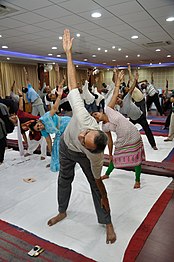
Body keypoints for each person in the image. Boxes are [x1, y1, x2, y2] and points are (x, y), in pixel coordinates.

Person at [47, 29, 116, 244]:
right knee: (64, 179)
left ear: (92, 150)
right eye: (85, 134)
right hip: (66, 150)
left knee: (96, 188)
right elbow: (73, 84)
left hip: (83, 157)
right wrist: (68, 54)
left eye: (84, 140)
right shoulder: (84, 117)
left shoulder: (95, 158)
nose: (81, 135)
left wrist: (106, 203)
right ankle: (62, 210)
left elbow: (100, 185)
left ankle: (107, 221)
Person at [92, 70, 146, 189]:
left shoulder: (108, 109)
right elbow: (109, 140)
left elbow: (115, 94)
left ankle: (137, 180)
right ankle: (107, 174)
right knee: (116, 157)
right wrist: (110, 154)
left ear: (99, 111)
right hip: (122, 138)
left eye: (95, 114)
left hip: (133, 133)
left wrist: (118, 83)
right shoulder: (104, 127)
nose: (97, 116)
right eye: (95, 117)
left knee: (136, 158)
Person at [29, 87, 71, 172]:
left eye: (38, 125)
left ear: (38, 121)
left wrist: (59, 97)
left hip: (66, 124)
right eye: (38, 129)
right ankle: (58, 162)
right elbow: (48, 141)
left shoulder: (46, 117)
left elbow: (55, 108)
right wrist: (51, 153)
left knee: (63, 144)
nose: (39, 127)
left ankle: (68, 161)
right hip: (59, 132)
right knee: (56, 146)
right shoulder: (43, 131)